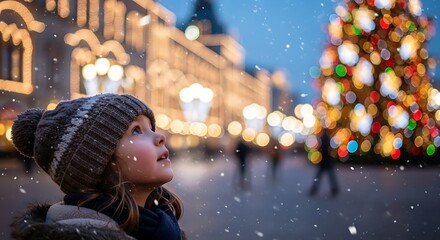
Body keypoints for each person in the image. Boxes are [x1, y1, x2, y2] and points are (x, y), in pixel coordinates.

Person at [10, 93, 186, 239]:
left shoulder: (161, 224)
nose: (160, 137)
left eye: (151, 128)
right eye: (137, 130)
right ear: (100, 162)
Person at [309, 129, 339, 197]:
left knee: (319, 176)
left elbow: (321, 150)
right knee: (330, 176)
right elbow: (329, 150)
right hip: (327, 161)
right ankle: (334, 189)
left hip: (324, 161)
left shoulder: (322, 139)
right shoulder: (328, 139)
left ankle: (314, 189)